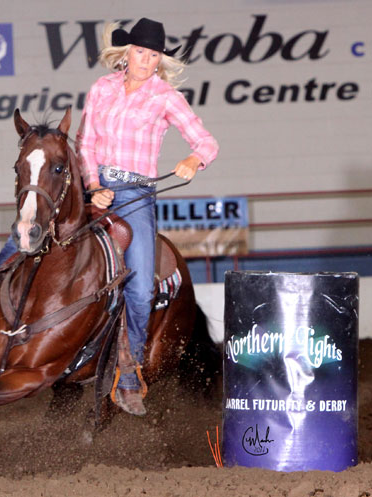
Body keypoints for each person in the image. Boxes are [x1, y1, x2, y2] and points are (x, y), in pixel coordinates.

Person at [76, 18, 219, 416]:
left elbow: (206, 141)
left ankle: (129, 371)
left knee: (139, 288)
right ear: (127, 53)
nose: (146, 60)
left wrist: (194, 158)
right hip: (96, 189)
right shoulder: (102, 89)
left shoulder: (165, 96)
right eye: (140, 52)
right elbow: (86, 141)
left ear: (160, 59)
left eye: (154, 54)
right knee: (38, 230)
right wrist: (92, 185)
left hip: (137, 194)